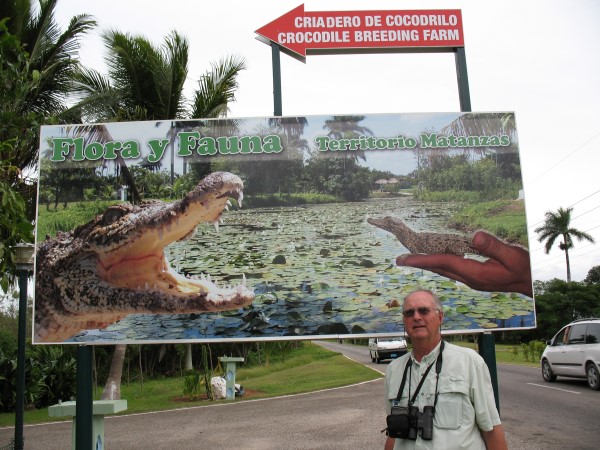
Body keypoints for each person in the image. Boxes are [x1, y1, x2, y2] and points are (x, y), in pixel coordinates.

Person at [384, 289, 508, 450]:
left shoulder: (470, 362)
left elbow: (491, 429)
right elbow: (393, 435)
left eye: (423, 310)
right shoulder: (394, 370)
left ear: (440, 317)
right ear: (404, 321)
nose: (416, 317)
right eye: (409, 313)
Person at [396, 230, 533, 297]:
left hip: (458, 245)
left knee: (454, 252)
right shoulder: (408, 237)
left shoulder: (409, 239)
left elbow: (414, 252)